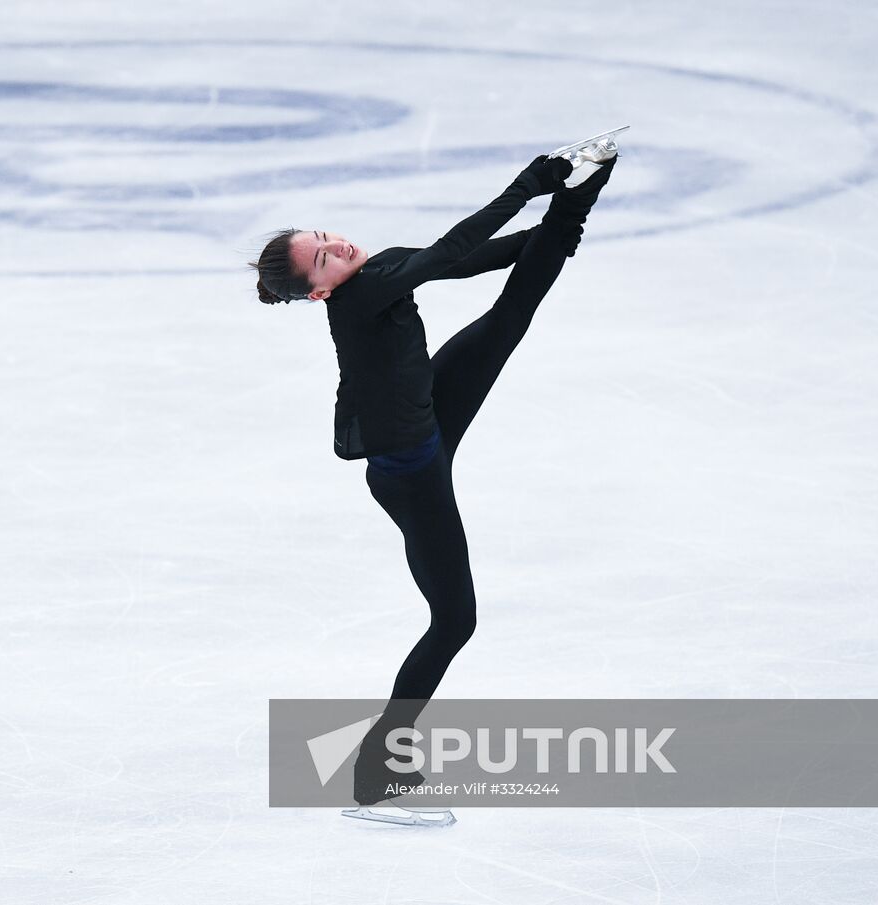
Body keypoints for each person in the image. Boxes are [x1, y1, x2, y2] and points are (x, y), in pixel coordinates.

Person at [250, 142, 619, 807]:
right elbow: (449, 251)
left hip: (427, 420)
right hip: (409, 475)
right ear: (320, 290)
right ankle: (377, 764)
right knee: (454, 622)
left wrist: (569, 208)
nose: (339, 246)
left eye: (329, 237)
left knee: (509, 318)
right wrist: (529, 185)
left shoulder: (383, 266)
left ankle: (583, 190)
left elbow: (477, 259)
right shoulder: (356, 302)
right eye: (324, 257)